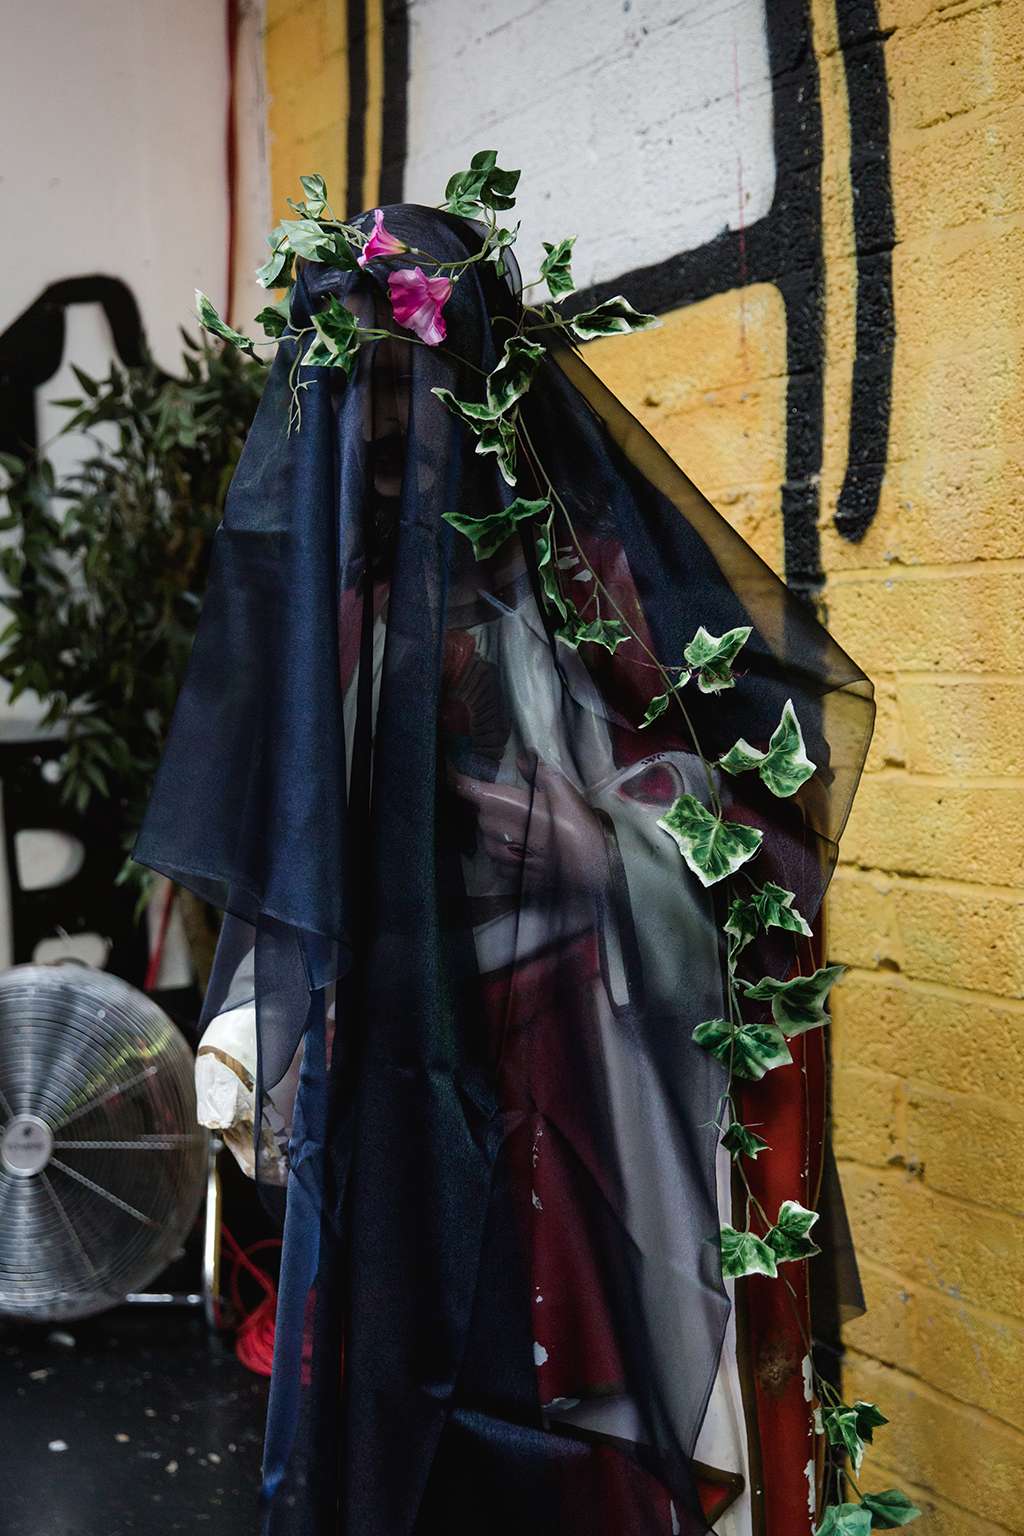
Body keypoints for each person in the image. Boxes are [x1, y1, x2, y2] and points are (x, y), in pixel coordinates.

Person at [134, 203, 875, 1535]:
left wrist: (601, 840)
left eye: (408, 384)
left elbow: (754, 794)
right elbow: (285, 830)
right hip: (381, 1069)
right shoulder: (340, 587)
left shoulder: (584, 574)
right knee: (385, 1413)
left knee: (550, 1412)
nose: (383, 425)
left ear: (474, 382)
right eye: (359, 389)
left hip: (558, 1067)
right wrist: (256, 1010)